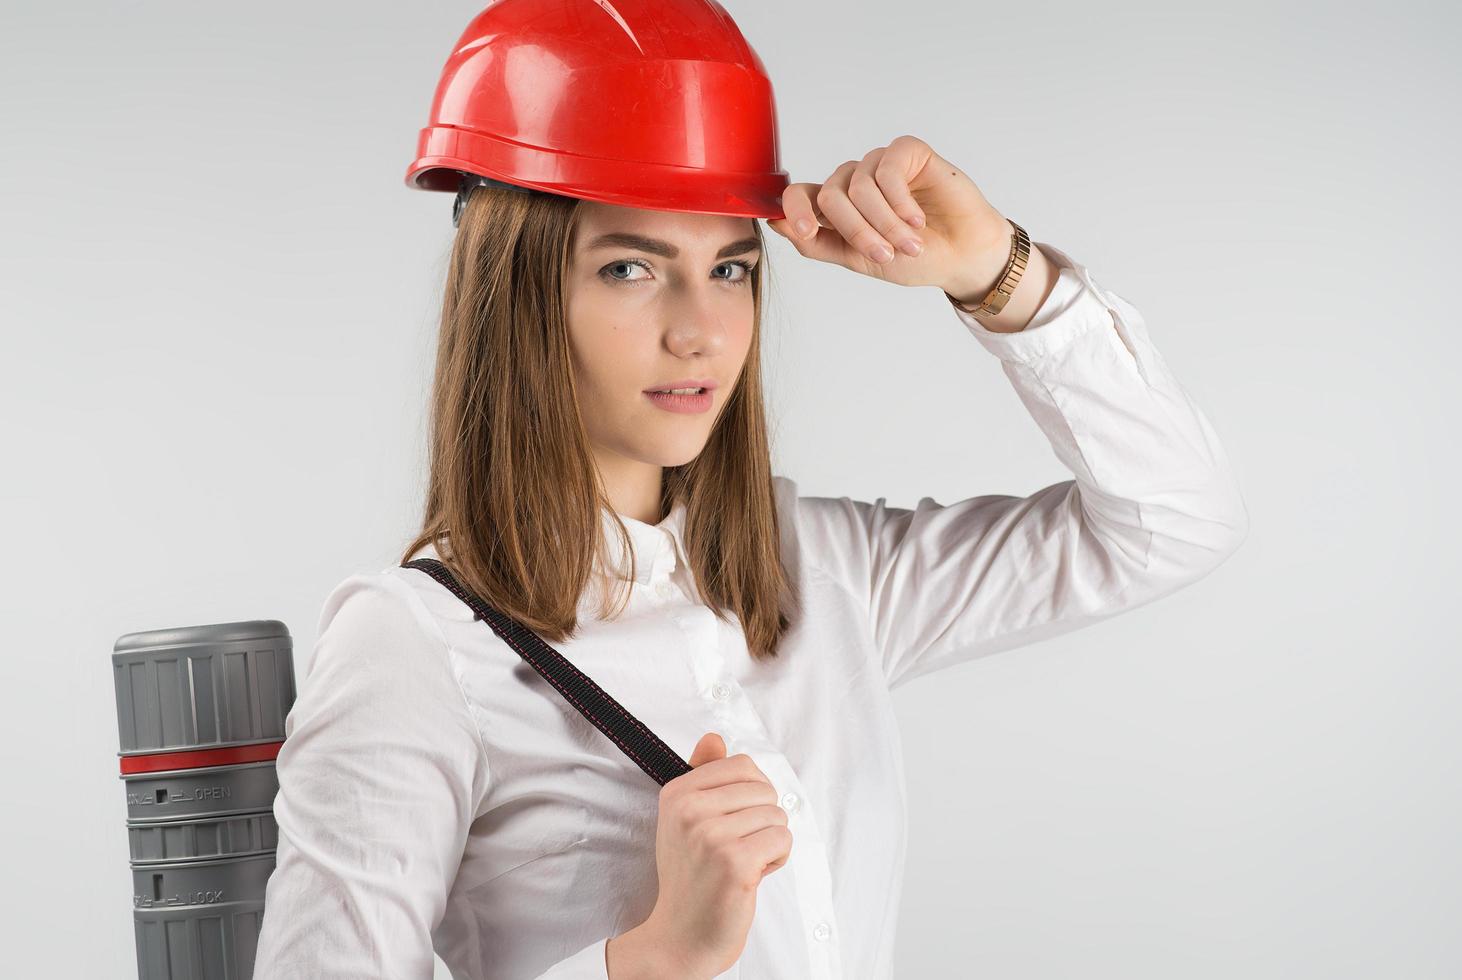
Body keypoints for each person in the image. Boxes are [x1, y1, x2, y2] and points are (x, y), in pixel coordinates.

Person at [253, 3, 1248, 979]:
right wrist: (646, 961)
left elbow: (1172, 518)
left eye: (728, 266)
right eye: (631, 265)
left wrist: (997, 273)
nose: (703, 331)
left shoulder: (821, 570)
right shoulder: (413, 645)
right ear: (513, 294)